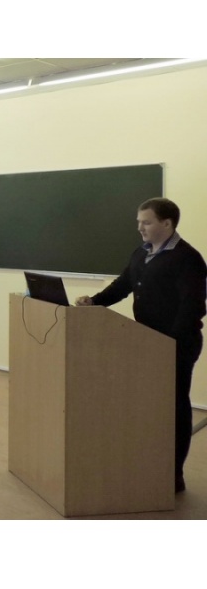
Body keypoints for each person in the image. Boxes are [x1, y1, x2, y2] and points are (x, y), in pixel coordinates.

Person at [75, 197, 206, 493]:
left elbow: (193, 307)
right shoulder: (141, 253)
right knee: (147, 407)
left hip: (176, 346)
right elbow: (123, 285)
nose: (140, 228)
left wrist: (168, 344)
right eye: (139, 222)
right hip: (144, 344)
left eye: (146, 222)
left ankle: (173, 475)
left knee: (174, 408)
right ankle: (147, 465)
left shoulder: (187, 258)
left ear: (167, 223)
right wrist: (94, 302)